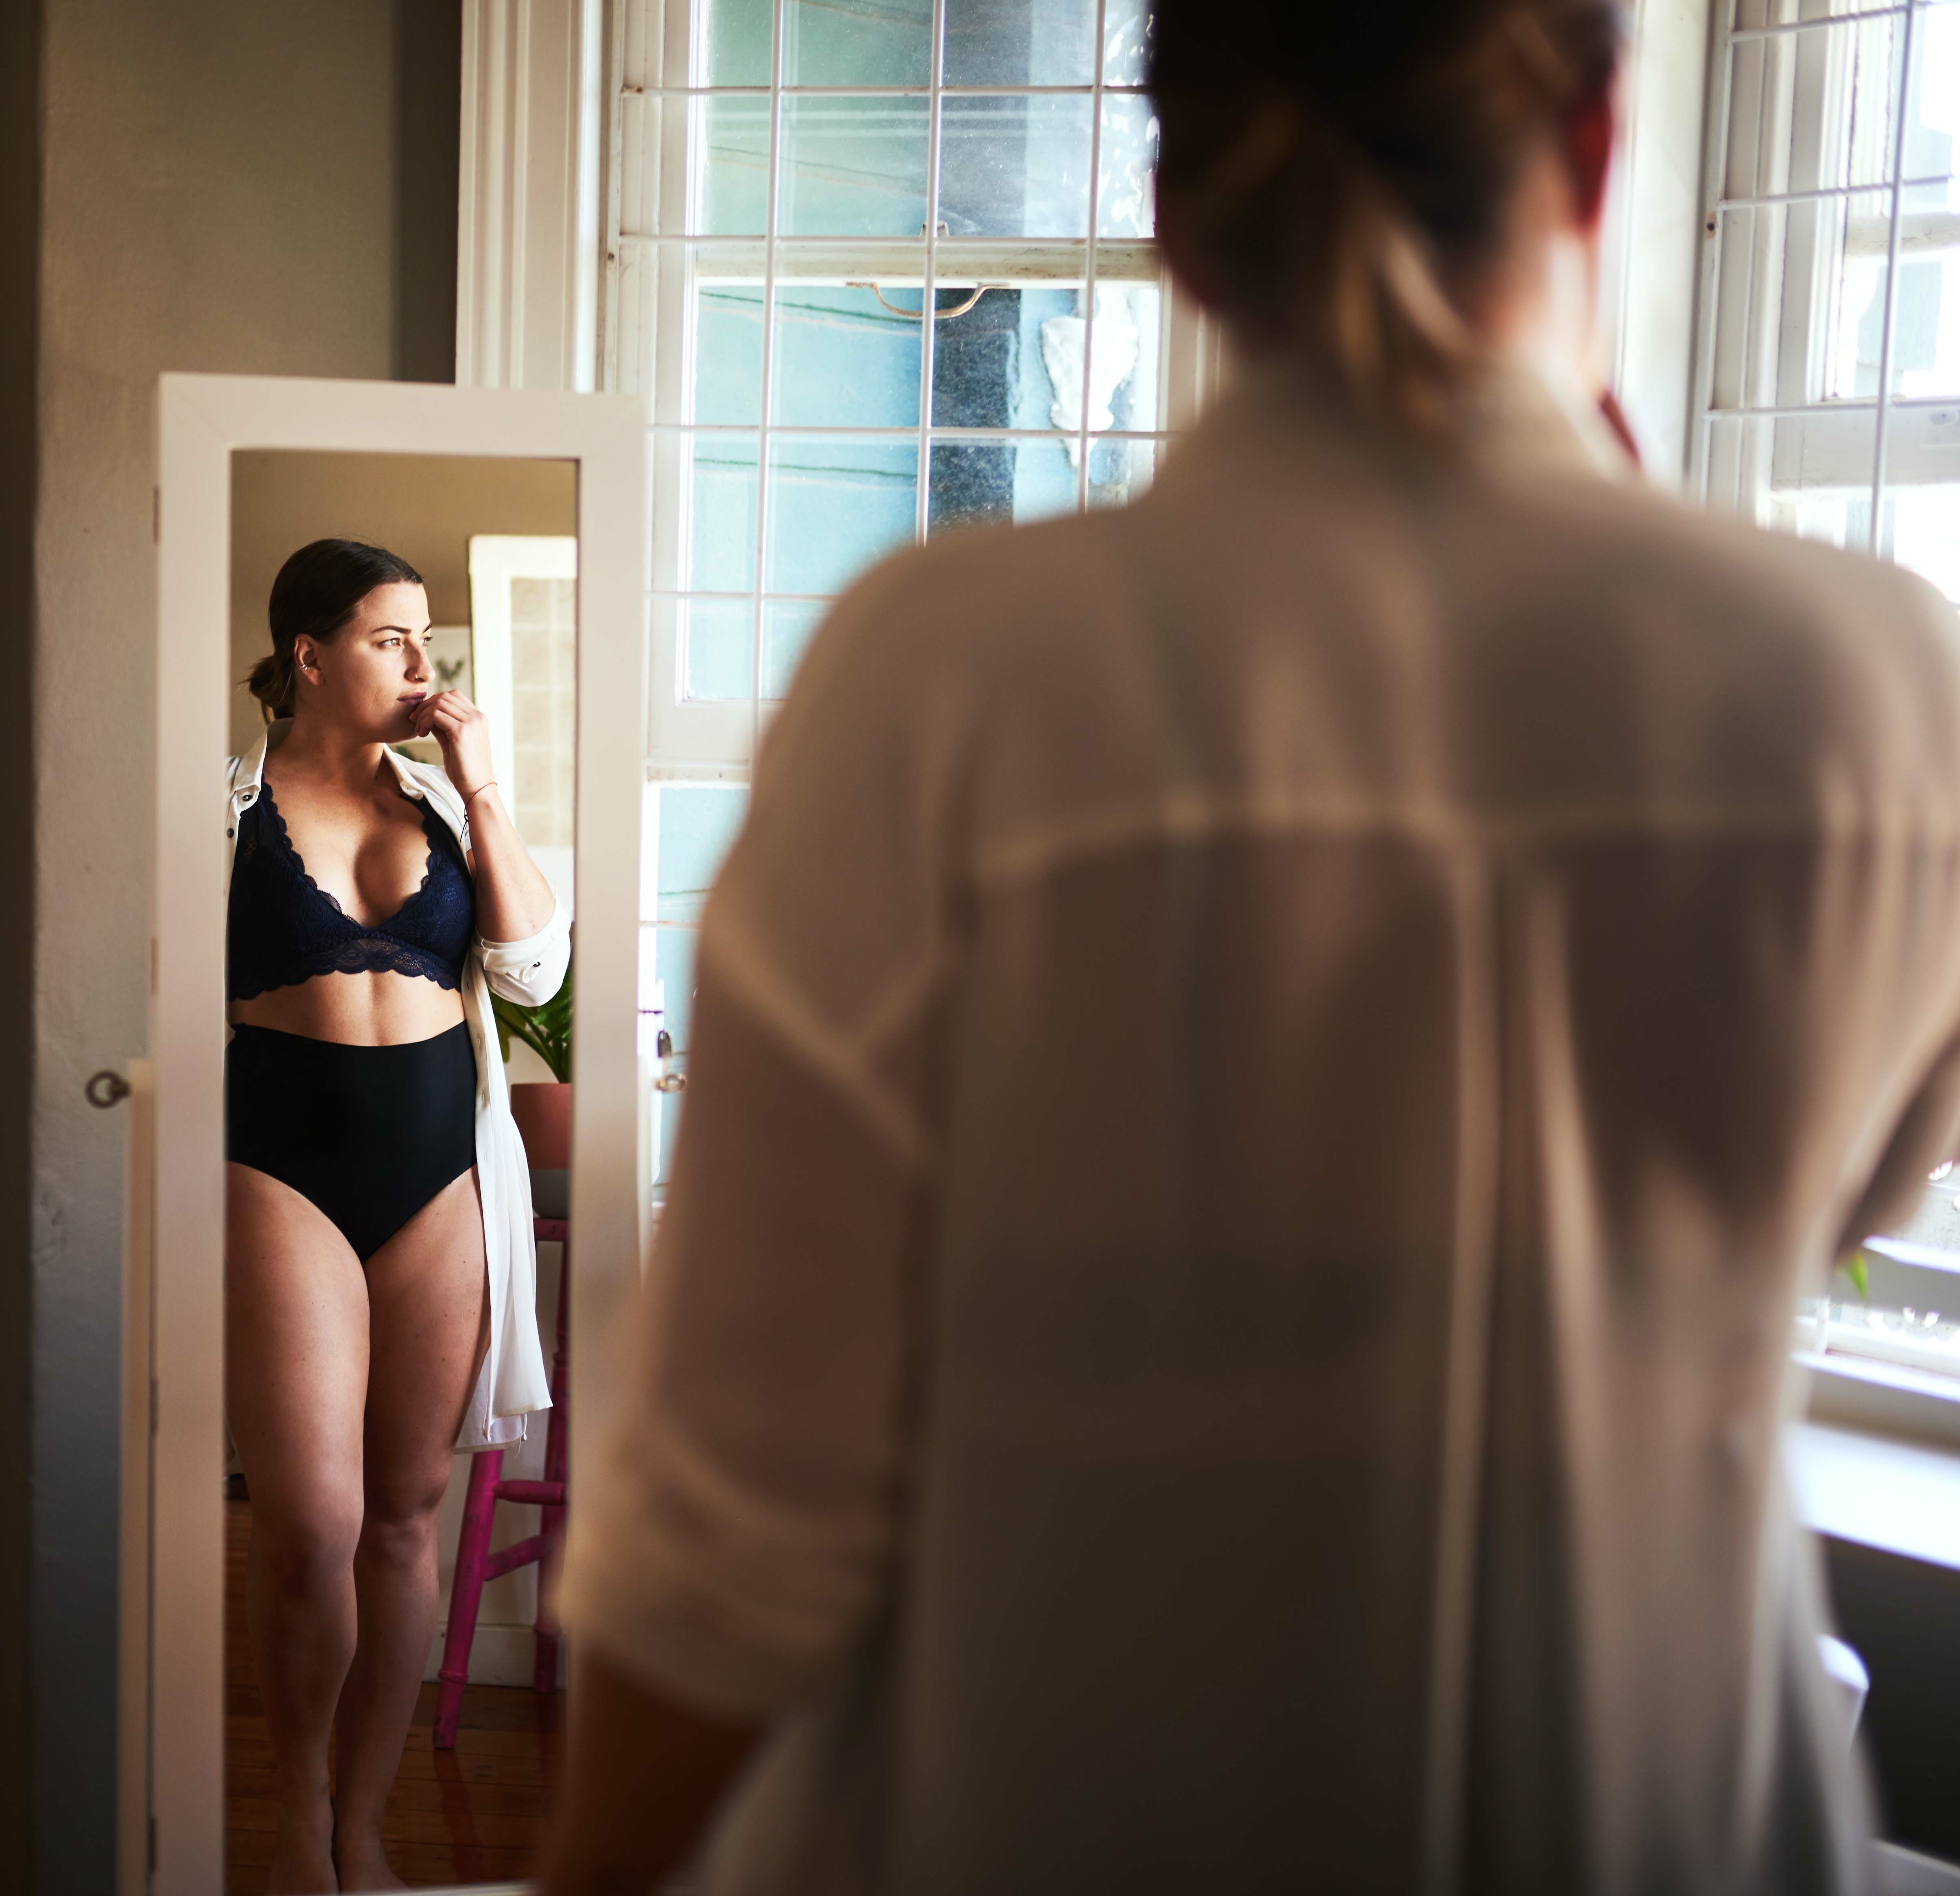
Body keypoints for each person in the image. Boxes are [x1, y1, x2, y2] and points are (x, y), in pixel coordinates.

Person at [542, 2, 1954, 1891]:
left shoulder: (945, 679)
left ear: (1175, 218)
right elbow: (1850, 1183)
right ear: (1599, 149)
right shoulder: (1874, 688)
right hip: (1655, 1817)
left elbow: (738, 1533)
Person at [225, 537, 567, 1892]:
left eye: (430, 641)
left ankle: (360, 1825)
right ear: (309, 657)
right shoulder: (221, 808)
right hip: (277, 1166)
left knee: (406, 1515)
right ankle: (296, 1802)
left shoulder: (441, 805)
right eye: (391, 639)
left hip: (440, 1176)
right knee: (307, 1519)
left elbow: (537, 966)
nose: (426, 666)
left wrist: (484, 786)